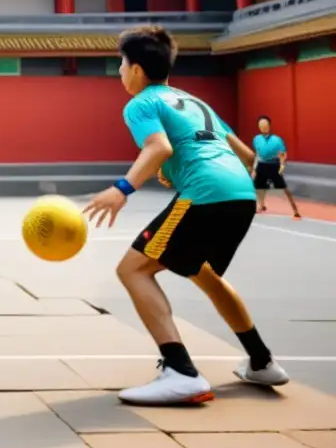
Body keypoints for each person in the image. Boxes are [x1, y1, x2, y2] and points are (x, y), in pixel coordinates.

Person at [84, 26, 289, 406]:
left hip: (205, 194)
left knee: (132, 270)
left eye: (121, 63)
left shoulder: (142, 103)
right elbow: (247, 157)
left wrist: (121, 189)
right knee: (204, 273)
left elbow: (158, 146)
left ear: (138, 69)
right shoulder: (195, 103)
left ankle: (181, 373)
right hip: (240, 195)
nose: (119, 71)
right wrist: (184, 169)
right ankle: (261, 361)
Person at [251, 116, 301, 219]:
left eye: (265, 125)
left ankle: (295, 210)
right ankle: (262, 206)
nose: (263, 127)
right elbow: (257, 154)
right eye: (260, 125)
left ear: (269, 126)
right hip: (261, 165)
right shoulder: (256, 139)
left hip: (274, 165)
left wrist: (282, 165)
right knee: (259, 187)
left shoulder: (277, 140)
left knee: (284, 188)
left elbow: (282, 154)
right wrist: (254, 168)